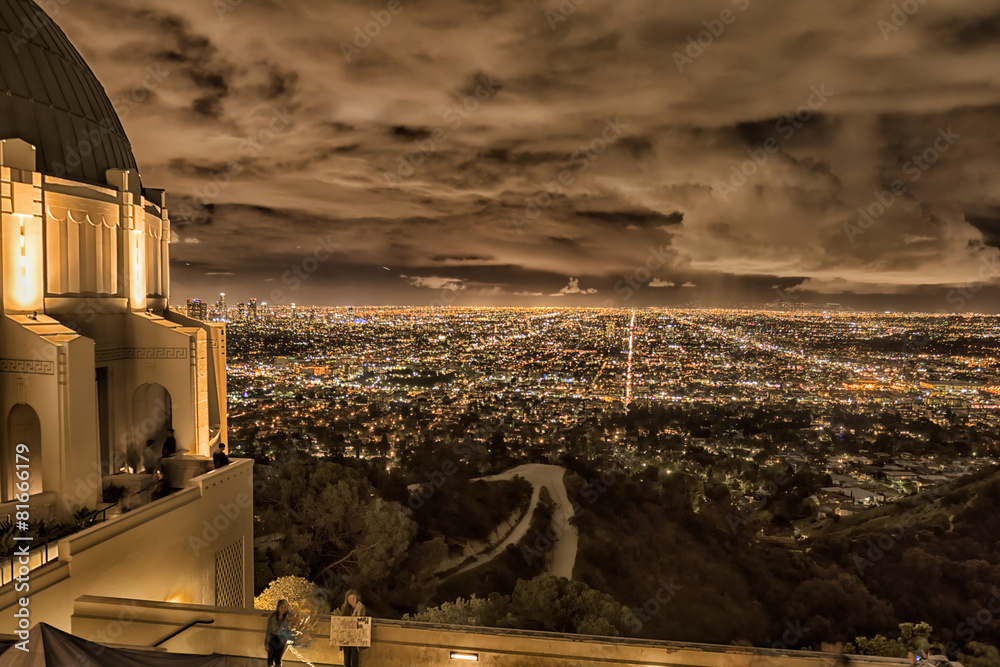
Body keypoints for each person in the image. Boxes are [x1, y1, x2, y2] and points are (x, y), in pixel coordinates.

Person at [339, 590, 366, 667]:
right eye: (350, 599)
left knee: (354, 657)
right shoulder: (345, 607)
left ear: (357, 598)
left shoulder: (361, 607)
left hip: (356, 636)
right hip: (346, 635)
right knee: (346, 657)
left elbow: (362, 620)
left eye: (353, 598)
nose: (352, 601)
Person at [264, 599, 292, 667]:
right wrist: (266, 644)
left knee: (278, 659)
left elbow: (290, 630)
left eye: (285, 607)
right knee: (270, 659)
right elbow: (268, 631)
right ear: (278, 607)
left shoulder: (288, 619)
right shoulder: (273, 618)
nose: (283, 609)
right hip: (273, 638)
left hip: (282, 639)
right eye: (282, 607)